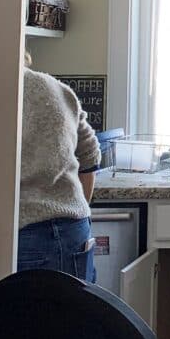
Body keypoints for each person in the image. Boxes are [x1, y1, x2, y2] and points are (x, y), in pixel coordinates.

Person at [17, 55, 102, 281]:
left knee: (19, 316)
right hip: (75, 229)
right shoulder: (55, 87)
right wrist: (73, 206)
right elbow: (90, 154)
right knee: (77, 314)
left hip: (23, 233)